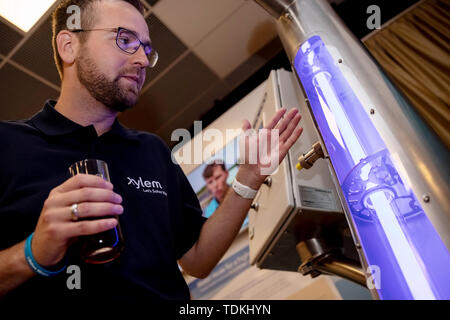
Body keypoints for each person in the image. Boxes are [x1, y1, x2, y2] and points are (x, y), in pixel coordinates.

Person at [0, 0, 303, 303]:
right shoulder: (8, 145)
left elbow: (197, 260)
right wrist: (32, 253)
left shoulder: (152, 151)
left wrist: (249, 177)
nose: (142, 60)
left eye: (145, 48)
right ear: (69, 46)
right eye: (125, 40)